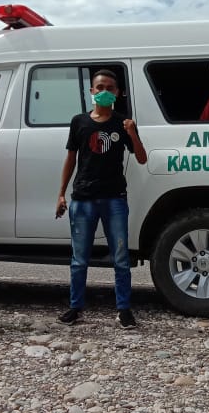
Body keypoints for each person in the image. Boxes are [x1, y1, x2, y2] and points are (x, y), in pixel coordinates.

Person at [56, 69, 147, 328]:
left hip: (114, 198)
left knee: (120, 257)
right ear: (92, 92)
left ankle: (124, 309)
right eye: (100, 87)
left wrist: (132, 132)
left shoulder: (123, 122)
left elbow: (141, 157)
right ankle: (75, 307)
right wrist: (61, 193)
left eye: (110, 88)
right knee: (79, 258)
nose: (105, 92)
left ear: (118, 93)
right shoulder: (79, 122)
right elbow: (71, 158)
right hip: (83, 198)